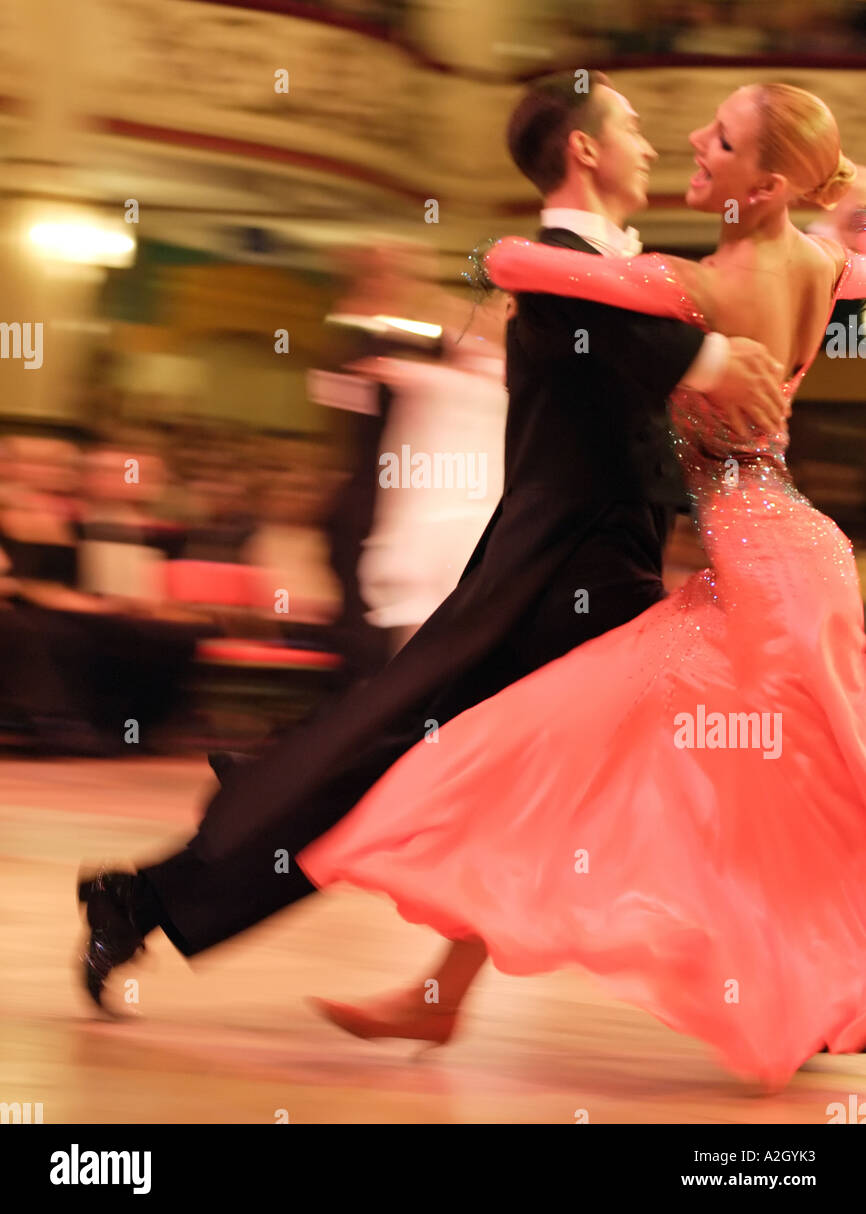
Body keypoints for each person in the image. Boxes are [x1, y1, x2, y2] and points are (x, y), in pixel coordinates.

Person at [77, 72, 784, 1005]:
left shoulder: (599, 268)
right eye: (634, 127)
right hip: (566, 571)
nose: (653, 145)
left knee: (414, 763)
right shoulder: (560, 272)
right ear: (584, 148)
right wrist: (719, 356)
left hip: (578, 563)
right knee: (671, 760)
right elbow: (622, 340)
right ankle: (785, 978)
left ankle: (191, 873)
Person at [299, 83, 866, 1089]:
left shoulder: (688, 285)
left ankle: (452, 992)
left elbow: (512, 262)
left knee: (576, 760)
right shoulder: (821, 267)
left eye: (719, 138)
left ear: (765, 181)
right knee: (664, 775)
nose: (692, 139)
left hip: (762, 583)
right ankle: (443, 992)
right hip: (790, 561)